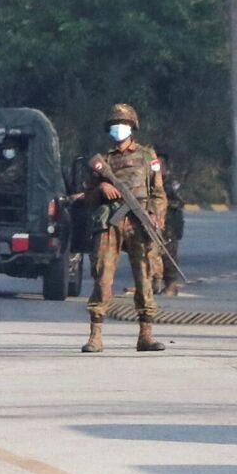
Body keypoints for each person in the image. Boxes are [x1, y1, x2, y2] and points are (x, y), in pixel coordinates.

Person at [77, 104, 169, 354]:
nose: (119, 128)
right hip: (111, 222)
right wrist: (101, 190)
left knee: (144, 276)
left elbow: (159, 194)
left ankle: (145, 335)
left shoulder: (148, 157)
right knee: (103, 276)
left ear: (132, 128)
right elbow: (87, 196)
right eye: (116, 124)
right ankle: (95, 336)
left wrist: (155, 215)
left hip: (140, 222)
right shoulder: (103, 161)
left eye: (124, 124)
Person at [152, 150, 186, 296]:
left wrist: (162, 204)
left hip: (170, 222)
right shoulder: (149, 181)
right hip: (153, 220)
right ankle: (152, 283)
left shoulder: (171, 182)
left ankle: (171, 285)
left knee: (169, 253)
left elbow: (179, 201)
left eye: (157, 164)